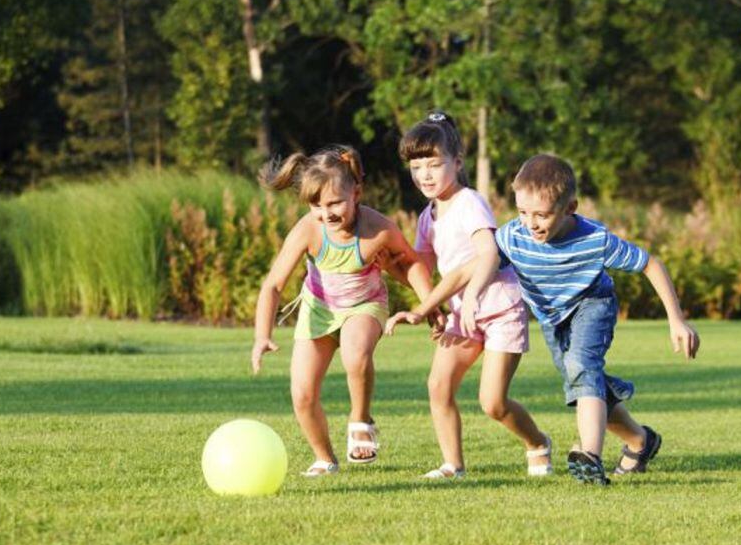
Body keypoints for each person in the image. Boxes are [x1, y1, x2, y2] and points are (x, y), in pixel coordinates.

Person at [390, 153, 699, 485]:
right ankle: (640, 440)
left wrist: (676, 320)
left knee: (582, 367)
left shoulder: (595, 240)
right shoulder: (515, 236)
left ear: (570, 208)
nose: (531, 223)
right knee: (583, 382)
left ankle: (590, 457)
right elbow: (467, 270)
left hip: (592, 304)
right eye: (523, 212)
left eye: (542, 215)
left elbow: (650, 264)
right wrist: (423, 308)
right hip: (553, 318)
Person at [385, 111, 551, 480]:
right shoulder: (427, 216)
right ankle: (453, 465)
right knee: (438, 385)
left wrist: (473, 293)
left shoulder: (469, 202)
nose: (425, 175)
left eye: (434, 164)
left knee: (492, 403)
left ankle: (537, 443)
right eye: (416, 166)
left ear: (457, 163)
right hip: (463, 313)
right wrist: (391, 270)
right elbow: (421, 269)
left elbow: (488, 253)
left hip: (499, 308)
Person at [251, 144, 436, 477]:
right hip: (318, 310)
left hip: (365, 305)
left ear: (357, 193)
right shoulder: (309, 229)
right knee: (302, 394)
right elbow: (273, 285)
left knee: (355, 354)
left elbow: (411, 265)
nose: (327, 214)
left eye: (335, 203)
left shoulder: (378, 228)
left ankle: (360, 419)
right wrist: (262, 335)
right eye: (317, 206)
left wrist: (430, 305)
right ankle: (325, 458)